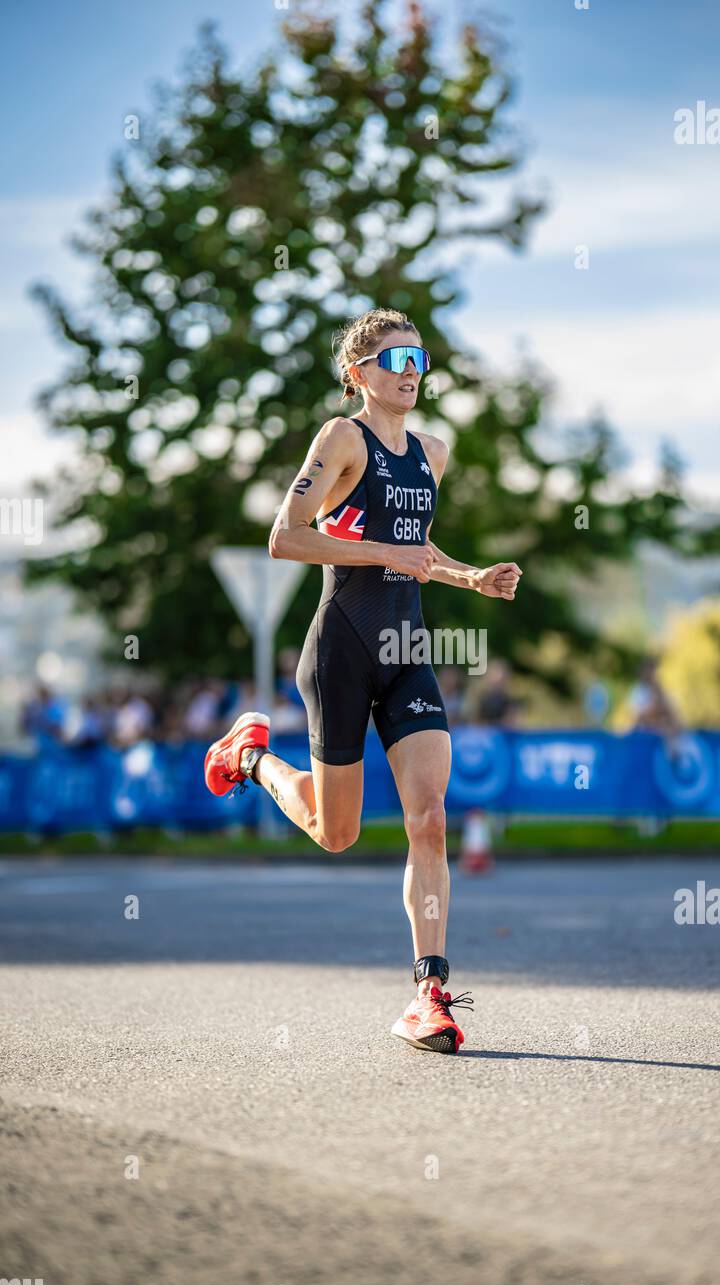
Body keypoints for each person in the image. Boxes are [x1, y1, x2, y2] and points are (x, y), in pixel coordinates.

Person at [204, 307, 522, 1052]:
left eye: (419, 360)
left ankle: (429, 993)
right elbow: (286, 537)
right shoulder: (341, 437)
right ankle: (248, 756)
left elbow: (417, 547)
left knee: (431, 818)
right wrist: (385, 550)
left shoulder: (433, 451)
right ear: (359, 375)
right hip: (342, 649)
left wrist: (468, 576)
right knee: (336, 833)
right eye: (395, 361)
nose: (411, 374)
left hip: (407, 645)